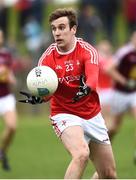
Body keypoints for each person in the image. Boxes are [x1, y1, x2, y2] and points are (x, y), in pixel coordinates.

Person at [19, 8, 117, 179]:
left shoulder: (87, 50)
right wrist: (40, 97)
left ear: (73, 29)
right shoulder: (48, 57)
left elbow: (93, 79)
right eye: (54, 28)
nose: (57, 32)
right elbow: (48, 91)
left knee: (108, 174)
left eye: (62, 27)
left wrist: (86, 88)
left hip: (92, 114)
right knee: (81, 154)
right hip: (64, 113)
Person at [106, 31, 136, 162]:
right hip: (120, 93)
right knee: (113, 127)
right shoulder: (124, 52)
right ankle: (103, 150)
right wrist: (124, 81)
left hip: (134, 93)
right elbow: (108, 68)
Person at [0, 29, 17, 170]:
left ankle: (2, 151)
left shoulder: (6, 54)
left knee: (12, 127)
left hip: (5, 96)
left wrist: (11, 78)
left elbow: (9, 73)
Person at [96, 40, 114, 130]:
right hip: (102, 92)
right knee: (104, 118)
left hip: (109, 91)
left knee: (107, 118)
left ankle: (105, 139)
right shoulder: (99, 59)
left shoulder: (111, 59)